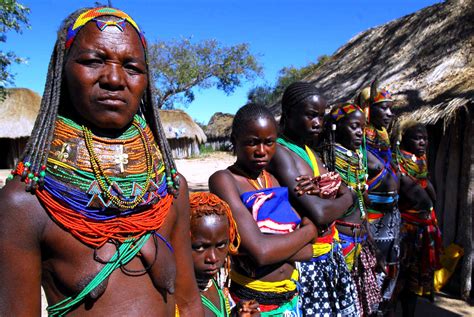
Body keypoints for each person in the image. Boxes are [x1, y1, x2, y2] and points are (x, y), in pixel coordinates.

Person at [0, 7, 202, 316]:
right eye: (94, 61)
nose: (114, 79)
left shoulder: (170, 189)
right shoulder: (27, 201)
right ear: (62, 69)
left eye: (132, 66)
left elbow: (189, 304)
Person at [209, 103, 317, 316]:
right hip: (251, 304)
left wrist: (269, 246)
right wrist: (308, 231)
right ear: (234, 142)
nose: (261, 151)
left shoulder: (274, 180)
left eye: (269, 143)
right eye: (252, 143)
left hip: (289, 300)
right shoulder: (225, 180)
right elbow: (262, 252)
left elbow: (308, 252)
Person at [268, 82, 358, 316]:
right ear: (288, 114)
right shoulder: (280, 152)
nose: (319, 123)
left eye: (321, 116)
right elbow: (319, 213)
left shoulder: (309, 152)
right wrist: (346, 196)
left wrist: (337, 190)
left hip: (329, 254)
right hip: (308, 263)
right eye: (311, 115)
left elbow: (338, 190)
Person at [322, 102, 382, 315]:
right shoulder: (327, 160)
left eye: (362, 127)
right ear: (337, 127)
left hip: (361, 239)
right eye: (354, 127)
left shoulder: (358, 158)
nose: (360, 133)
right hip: (340, 242)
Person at [356, 82, 400, 315]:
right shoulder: (359, 138)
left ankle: (383, 306)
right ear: (367, 108)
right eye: (383, 108)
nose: (389, 114)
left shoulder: (383, 137)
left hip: (391, 215)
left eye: (391, 108)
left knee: (389, 266)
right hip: (371, 217)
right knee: (373, 265)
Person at [393, 120, 442, 317]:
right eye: (417, 138)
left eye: (425, 138)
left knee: (412, 280)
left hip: (423, 226)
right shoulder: (398, 161)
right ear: (404, 139)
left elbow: (425, 182)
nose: (422, 142)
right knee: (400, 278)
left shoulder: (420, 159)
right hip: (406, 227)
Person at [189, 191, 260, 317]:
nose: (213, 258)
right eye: (200, 247)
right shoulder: (179, 298)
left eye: (221, 245)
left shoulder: (213, 283)